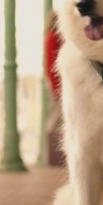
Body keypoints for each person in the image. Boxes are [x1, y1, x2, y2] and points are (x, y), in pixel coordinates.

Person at [43, 10, 67, 167]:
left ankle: (52, 156)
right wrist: (57, 86)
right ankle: (51, 157)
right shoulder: (53, 38)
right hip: (58, 84)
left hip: (57, 83)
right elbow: (52, 64)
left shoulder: (50, 37)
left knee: (56, 118)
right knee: (54, 119)